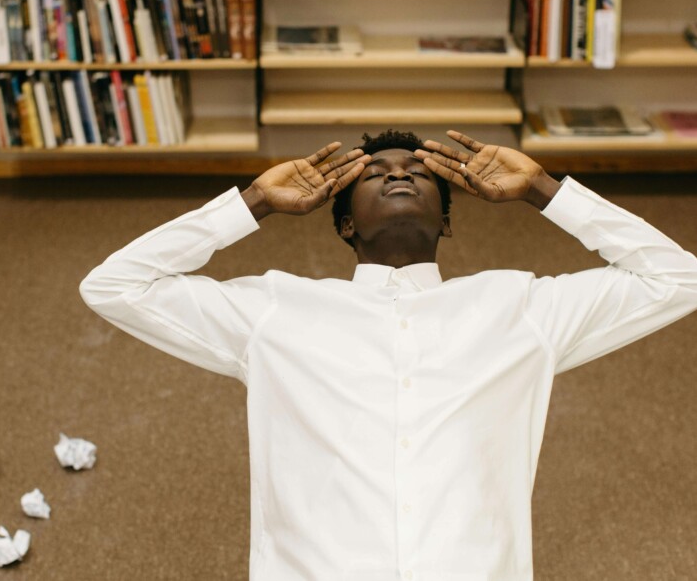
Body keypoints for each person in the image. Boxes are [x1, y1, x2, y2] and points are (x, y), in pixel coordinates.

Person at [80, 129, 697, 581]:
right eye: (373, 173)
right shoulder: (277, 310)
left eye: (419, 171)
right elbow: (114, 286)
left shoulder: (518, 307)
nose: (397, 172)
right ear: (344, 224)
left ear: (447, 222)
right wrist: (251, 204)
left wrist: (544, 190)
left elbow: (678, 280)